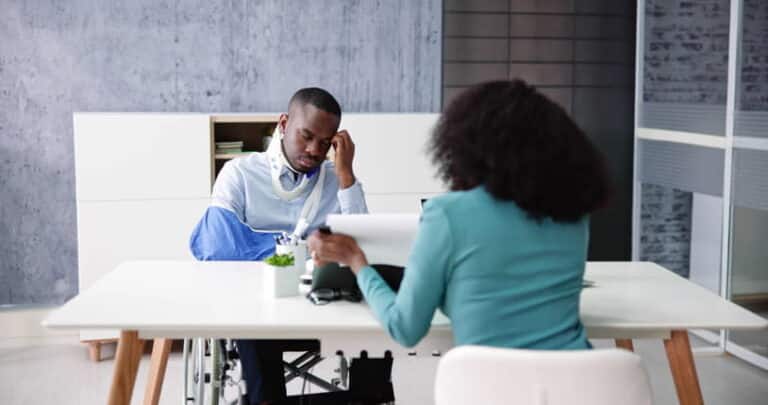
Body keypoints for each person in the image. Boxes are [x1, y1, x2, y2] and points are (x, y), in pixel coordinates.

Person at [308, 79, 611, 351]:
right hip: (579, 384)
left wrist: (357, 262)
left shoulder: (449, 214)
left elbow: (405, 328)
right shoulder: (573, 215)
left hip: (487, 388)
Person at [189, 87, 368, 403]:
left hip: (322, 306)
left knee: (377, 310)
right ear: (283, 124)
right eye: (306, 136)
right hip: (258, 309)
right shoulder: (240, 174)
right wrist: (302, 253)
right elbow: (218, 247)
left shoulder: (337, 181)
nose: (314, 149)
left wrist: (346, 177)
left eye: (325, 143)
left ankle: (372, 397)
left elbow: (363, 251)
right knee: (255, 323)